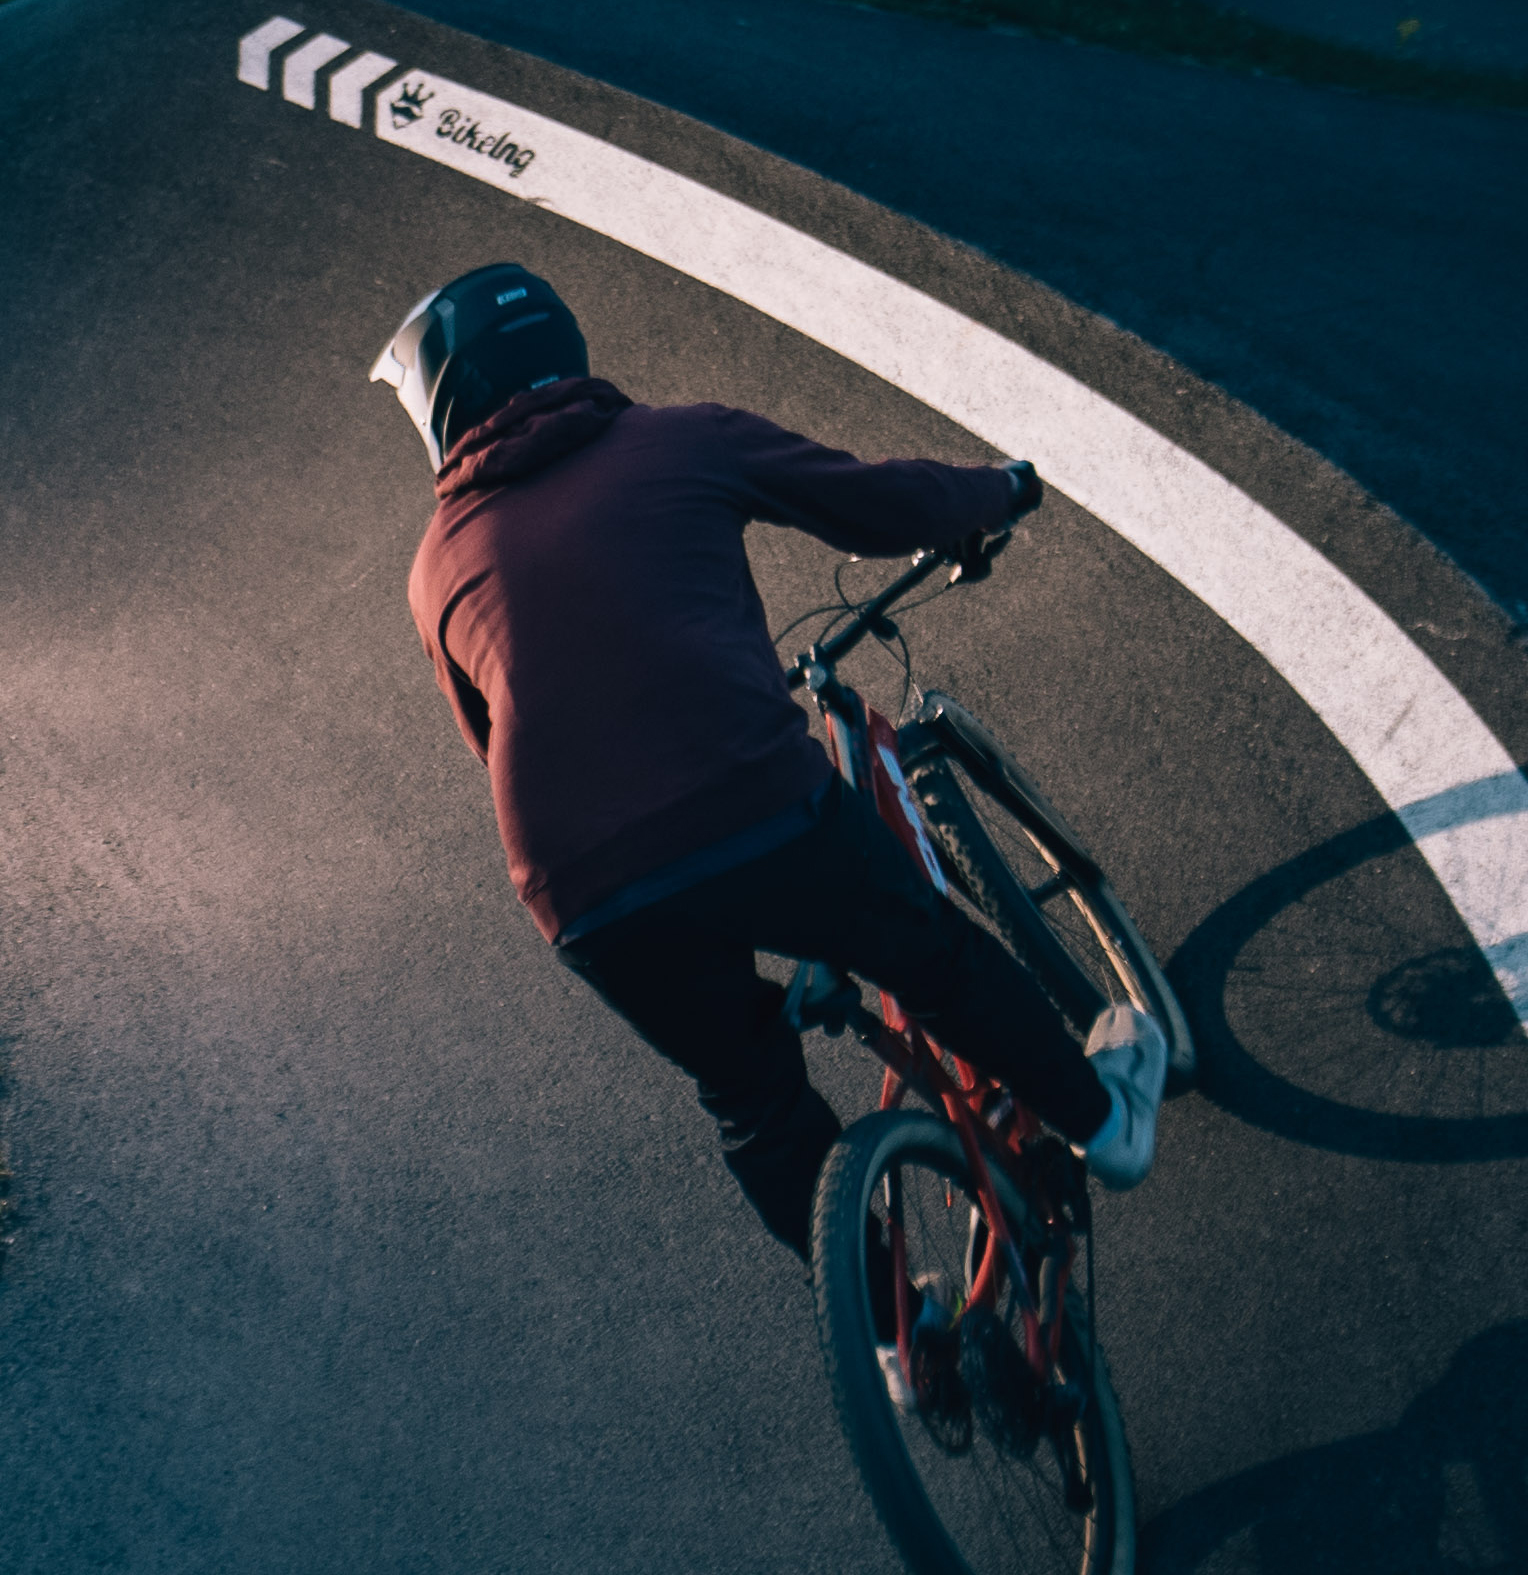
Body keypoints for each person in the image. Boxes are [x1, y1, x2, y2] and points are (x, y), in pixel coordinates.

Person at [377, 259, 1168, 1256]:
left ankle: (887, 1334)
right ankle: (1108, 1122)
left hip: (585, 896)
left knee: (750, 1099)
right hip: (747, 800)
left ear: (447, 409)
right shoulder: (678, 438)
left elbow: (488, 739)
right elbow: (872, 502)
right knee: (930, 955)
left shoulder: (433, 568)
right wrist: (998, 490)